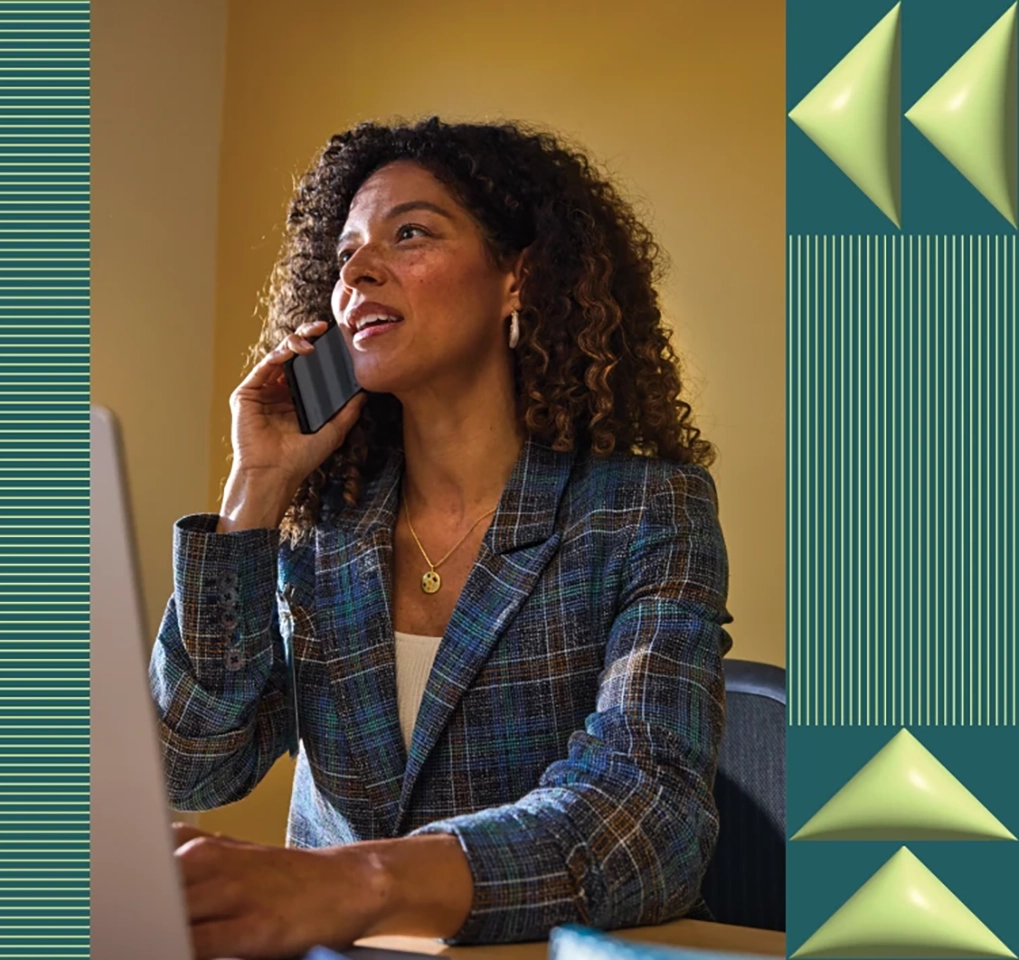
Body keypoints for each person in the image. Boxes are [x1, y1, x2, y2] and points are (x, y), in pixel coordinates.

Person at [149, 115, 734, 960]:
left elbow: (649, 813)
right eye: (345, 252)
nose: (357, 270)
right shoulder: (322, 526)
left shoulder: (641, 511)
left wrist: (356, 884)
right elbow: (189, 767)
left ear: (518, 279)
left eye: (410, 233)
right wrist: (259, 484)